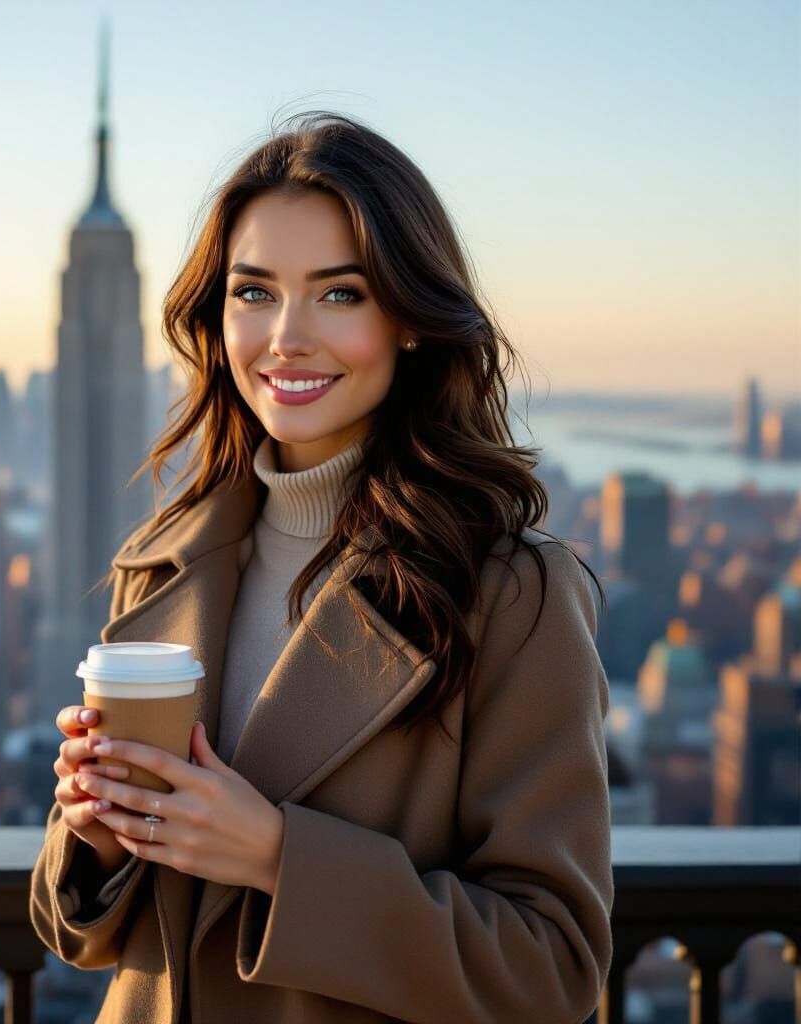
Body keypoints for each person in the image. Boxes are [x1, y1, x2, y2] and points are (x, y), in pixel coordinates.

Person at [30, 109, 614, 1024]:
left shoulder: (513, 594)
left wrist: (274, 856)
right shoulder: (165, 562)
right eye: (253, 292)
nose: (285, 336)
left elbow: (551, 969)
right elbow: (80, 937)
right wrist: (97, 834)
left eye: (340, 294)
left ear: (411, 321)